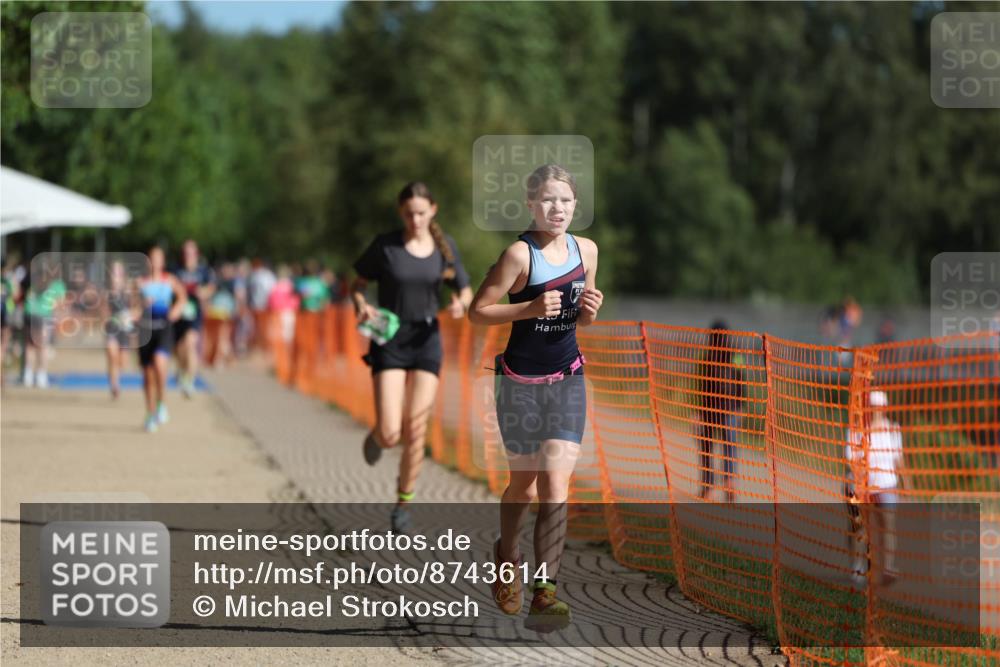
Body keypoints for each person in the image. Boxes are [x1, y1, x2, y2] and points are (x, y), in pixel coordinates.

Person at [468, 164, 603, 631]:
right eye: (547, 200)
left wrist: (589, 312)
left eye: (565, 200)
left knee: (556, 486)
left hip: (567, 380)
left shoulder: (586, 251)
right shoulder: (518, 256)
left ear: (576, 206)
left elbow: (579, 322)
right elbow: (477, 311)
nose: (557, 208)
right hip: (519, 386)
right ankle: (507, 557)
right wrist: (526, 308)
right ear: (531, 204)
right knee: (523, 487)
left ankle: (545, 592)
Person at [351, 182, 472, 534]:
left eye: (421, 212)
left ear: (433, 209)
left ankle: (403, 504)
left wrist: (461, 302)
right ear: (400, 213)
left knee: (416, 428)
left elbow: (463, 287)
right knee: (392, 432)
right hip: (389, 337)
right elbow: (356, 284)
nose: (415, 219)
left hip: (426, 340)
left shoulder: (444, 248)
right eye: (408, 213)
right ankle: (377, 437)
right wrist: (361, 304)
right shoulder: (385, 246)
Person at [845, 390, 903, 586]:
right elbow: (851, 459)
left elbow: (899, 460)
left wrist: (906, 486)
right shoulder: (856, 429)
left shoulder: (893, 429)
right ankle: (858, 564)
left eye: (879, 408)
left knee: (889, 525)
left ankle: (888, 567)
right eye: (872, 407)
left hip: (887, 484)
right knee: (859, 527)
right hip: (861, 487)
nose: (875, 411)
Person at [137, 247, 186, 433]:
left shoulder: (169, 280)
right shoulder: (140, 283)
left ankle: (162, 402)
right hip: (145, 330)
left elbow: (182, 297)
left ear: (163, 261)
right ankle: (150, 414)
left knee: (160, 363)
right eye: (152, 258)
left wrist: (176, 310)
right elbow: (132, 304)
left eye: (158, 258)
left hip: (164, 328)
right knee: (148, 376)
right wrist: (140, 304)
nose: (155, 262)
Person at [696, 321, 746, 503]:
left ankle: (719, 486)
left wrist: (740, 406)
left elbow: (741, 382)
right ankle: (718, 486)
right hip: (719, 410)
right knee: (724, 449)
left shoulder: (721, 356)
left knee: (716, 449)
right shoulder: (725, 356)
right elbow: (742, 382)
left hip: (719, 410)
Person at [173, 240, 215, 396]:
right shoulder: (176, 269)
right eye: (185, 253)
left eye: (190, 253)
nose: (188, 256)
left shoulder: (203, 271)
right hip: (178, 314)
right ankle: (182, 369)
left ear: (196, 254)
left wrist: (202, 292)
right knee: (179, 349)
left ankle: (189, 381)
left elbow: (211, 287)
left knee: (191, 344)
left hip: (194, 314)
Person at [22, 261, 67, 389]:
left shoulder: (32, 280)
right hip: (42, 315)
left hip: (29, 313)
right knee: (42, 346)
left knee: (29, 346)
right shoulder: (57, 285)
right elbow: (59, 304)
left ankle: (28, 375)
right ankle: (41, 375)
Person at [104, 260, 136, 399]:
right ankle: (114, 385)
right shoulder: (107, 293)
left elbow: (136, 308)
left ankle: (117, 376)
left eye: (118, 272)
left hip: (126, 329)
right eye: (113, 272)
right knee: (112, 355)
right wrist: (110, 319)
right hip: (111, 329)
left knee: (122, 361)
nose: (115, 275)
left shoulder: (129, 290)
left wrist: (129, 317)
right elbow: (102, 313)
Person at [247, 259, 276, 352]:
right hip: (262, 305)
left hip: (260, 305)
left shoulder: (257, 276)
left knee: (259, 328)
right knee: (262, 328)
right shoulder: (268, 275)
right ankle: (261, 347)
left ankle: (261, 347)